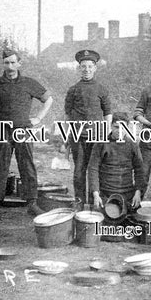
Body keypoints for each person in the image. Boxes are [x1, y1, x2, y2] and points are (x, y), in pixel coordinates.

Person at [0, 49, 53, 218]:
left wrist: (38, 117)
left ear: (19, 63)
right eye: (6, 63)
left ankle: (32, 203)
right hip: (3, 130)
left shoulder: (29, 83)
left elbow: (48, 99)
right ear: (3, 64)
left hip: (24, 130)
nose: (9, 66)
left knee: (27, 165)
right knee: (0, 165)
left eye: (12, 62)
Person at [64, 50, 112, 202]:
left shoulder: (102, 89)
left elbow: (108, 113)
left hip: (97, 137)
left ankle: (94, 203)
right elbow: (67, 115)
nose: (87, 70)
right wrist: (66, 137)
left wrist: (106, 133)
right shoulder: (73, 89)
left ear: (95, 68)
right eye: (83, 66)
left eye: (90, 66)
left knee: (96, 170)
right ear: (79, 68)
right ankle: (79, 202)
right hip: (78, 137)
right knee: (79, 172)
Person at [88, 112, 145, 211]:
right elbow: (93, 169)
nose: (120, 131)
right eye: (116, 127)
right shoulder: (101, 144)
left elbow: (139, 170)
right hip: (105, 193)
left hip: (127, 193)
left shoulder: (132, 145)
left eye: (123, 128)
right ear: (111, 126)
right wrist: (96, 194)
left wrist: (138, 192)